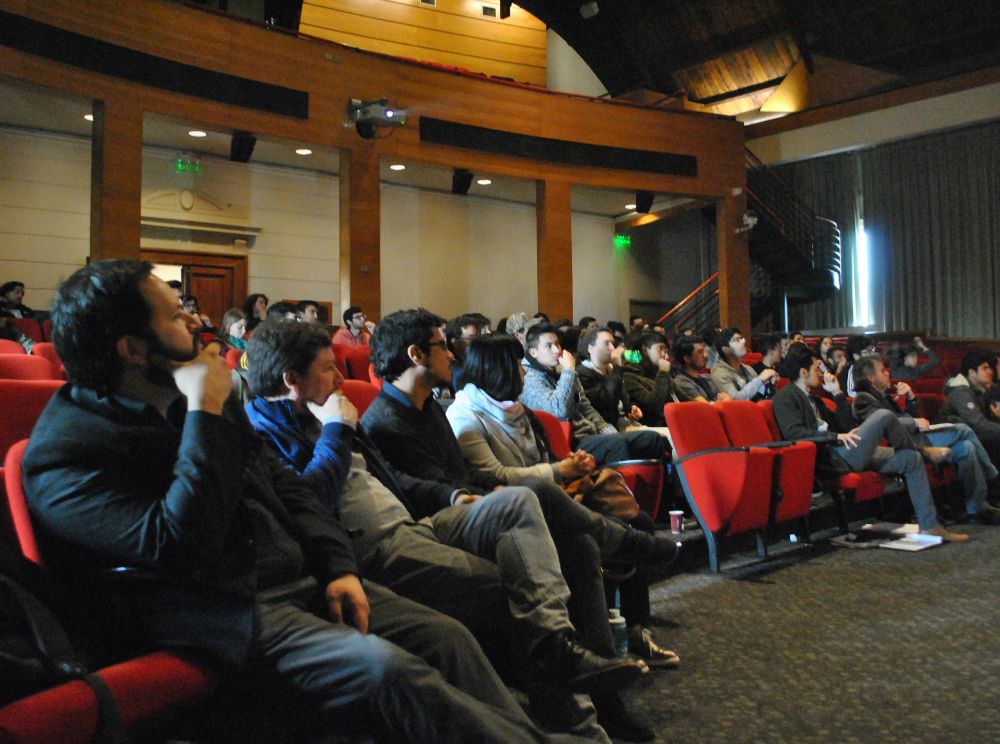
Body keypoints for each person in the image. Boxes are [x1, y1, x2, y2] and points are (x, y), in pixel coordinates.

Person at [22, 260, 591, 744]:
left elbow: (288, 490)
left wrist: (335, 564)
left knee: (447, 638)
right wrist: (201, 414)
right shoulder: (64, 453)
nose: (194, 320)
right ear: (131, 348)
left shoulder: (191, 404)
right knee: (387, 670)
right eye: (174, 315)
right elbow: (178, 543)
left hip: (300, 582)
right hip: (220, 614)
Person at [243, 321, 646, 701]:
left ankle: (570, 658)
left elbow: (397, 479)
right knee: (526, 573)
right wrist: (336, 431)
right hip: (374, 547)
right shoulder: (270, 434)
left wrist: (452, 497)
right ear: (291, 381)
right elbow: (310, 505)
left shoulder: (373, 412)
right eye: (328, 369)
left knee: (526, 506)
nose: (338, 379)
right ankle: (568, 686)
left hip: (416, 522)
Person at [362, 309, 681, 742]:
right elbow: (414, 490)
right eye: (441, 345)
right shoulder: (382, 420)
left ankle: (605, 694)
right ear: (415, 354)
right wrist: (464, 494)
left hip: (472, 509)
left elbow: (466, 474)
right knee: (530, 495)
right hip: (435, 524)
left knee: (580, 548)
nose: (450, 353)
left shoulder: (429, 410)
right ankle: (621, 544)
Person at [447, 335, 681, 674]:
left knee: (639, 521)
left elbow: (546, 459)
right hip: (512, 513)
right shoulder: (466, 415)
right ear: (496, 370)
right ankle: (605, 656)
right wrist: (560, 470)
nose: (523, 375)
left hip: (553, 500)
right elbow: (494, 474)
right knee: (584, 543)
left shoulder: (518, 409)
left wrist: (574, 463)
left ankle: (633, 632)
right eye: (516, 367)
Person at [772, 343, 968, 542]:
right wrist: (836, 437)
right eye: (816, 369)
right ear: (803, 372)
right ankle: (926, 452)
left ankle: (930, 526)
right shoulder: (784, 398)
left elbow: (846, 423)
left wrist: (837, 393)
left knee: (911, 459)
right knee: (883, 415)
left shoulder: (816, 399)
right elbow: (794, 433)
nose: (821, 374)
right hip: (830, 458)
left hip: (846, 449)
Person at [852, 355, 1000, 524]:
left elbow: (908, 420)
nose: (888, 373)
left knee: (967, 448)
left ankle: (977, 506)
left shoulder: (883, 397)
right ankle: (992, 475)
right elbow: (884, 424)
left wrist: (911, 398)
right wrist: (914, 422)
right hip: (900, 447)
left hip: (915, 439)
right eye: (882, 370)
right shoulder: (863, 399)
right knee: (963, 429)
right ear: (871, 377)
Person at [520, 324, 665, 467]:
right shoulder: (529, 380)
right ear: (533, 352)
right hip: (568, 443)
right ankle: (619, 489)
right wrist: (569, 371)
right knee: (616, 444)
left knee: (652, 439)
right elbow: (559, 410)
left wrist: (607, 430)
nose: (557, 350)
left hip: (591, 434)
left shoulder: (562, 371)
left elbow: (586, 407)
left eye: (557, 344)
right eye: (549, 346)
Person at [576, 327, 643, 431]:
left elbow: (623, 397)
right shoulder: (582, 374)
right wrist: (617, 366)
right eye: (606, 343)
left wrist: (631, 408)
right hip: (603, 428)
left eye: (612, 343)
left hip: (622, 423)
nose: (612, 348)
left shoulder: (611, 370)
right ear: (590, 348)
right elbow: (606, 404)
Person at [941, 351, 1000, 468]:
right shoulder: (961, 392)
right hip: (956, 438)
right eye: (985, 368)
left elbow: (993, 419)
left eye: (989, 368)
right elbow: (978, 424)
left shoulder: (979, 390)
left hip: (974, 433)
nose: (990, 371)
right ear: (972, 372)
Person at [621, 330, 677, 428]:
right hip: (654, 426)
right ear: (645, 350)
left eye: (666, 351)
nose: (665, 356)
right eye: (660, 349)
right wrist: (663, 372)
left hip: (674, 421)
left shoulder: (656, 370)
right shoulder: (629, 376)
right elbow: (654, 405)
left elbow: (681, 395)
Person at [709, 327, 778, 401]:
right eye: (737, 340)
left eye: (742, 339)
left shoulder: (748, 369)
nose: (743, 342)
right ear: (725, 349)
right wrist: (760, 379)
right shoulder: (719, 372)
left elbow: (761, 393)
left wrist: (769, 383)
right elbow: (736, 399)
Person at [671, 335, 731, 403]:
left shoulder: (707, 377)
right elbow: (705, 408)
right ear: (687, 358)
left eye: (704, 351)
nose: (705, 355)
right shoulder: (681, 382)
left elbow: (727, 399)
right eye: (700, 352)